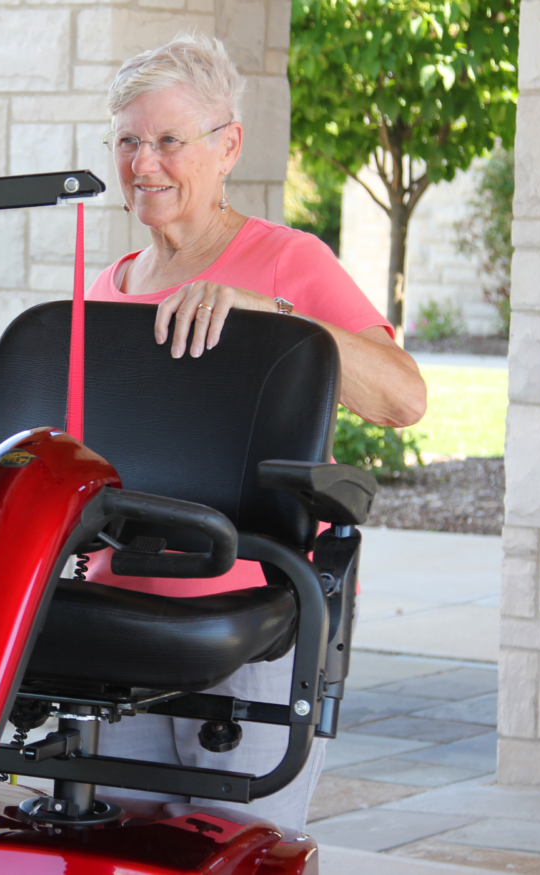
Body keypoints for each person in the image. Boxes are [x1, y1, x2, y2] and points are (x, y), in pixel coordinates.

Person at [88, 33, 427, 832]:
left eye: (169, 140)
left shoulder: (286, 261)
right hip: (114, 624)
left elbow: (402, 398)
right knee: (117, 847)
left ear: (227, 144)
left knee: (233, 848)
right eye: (129, 140)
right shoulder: (106, 288)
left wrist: (272, 320)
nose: (144, 163)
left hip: (246, 624)